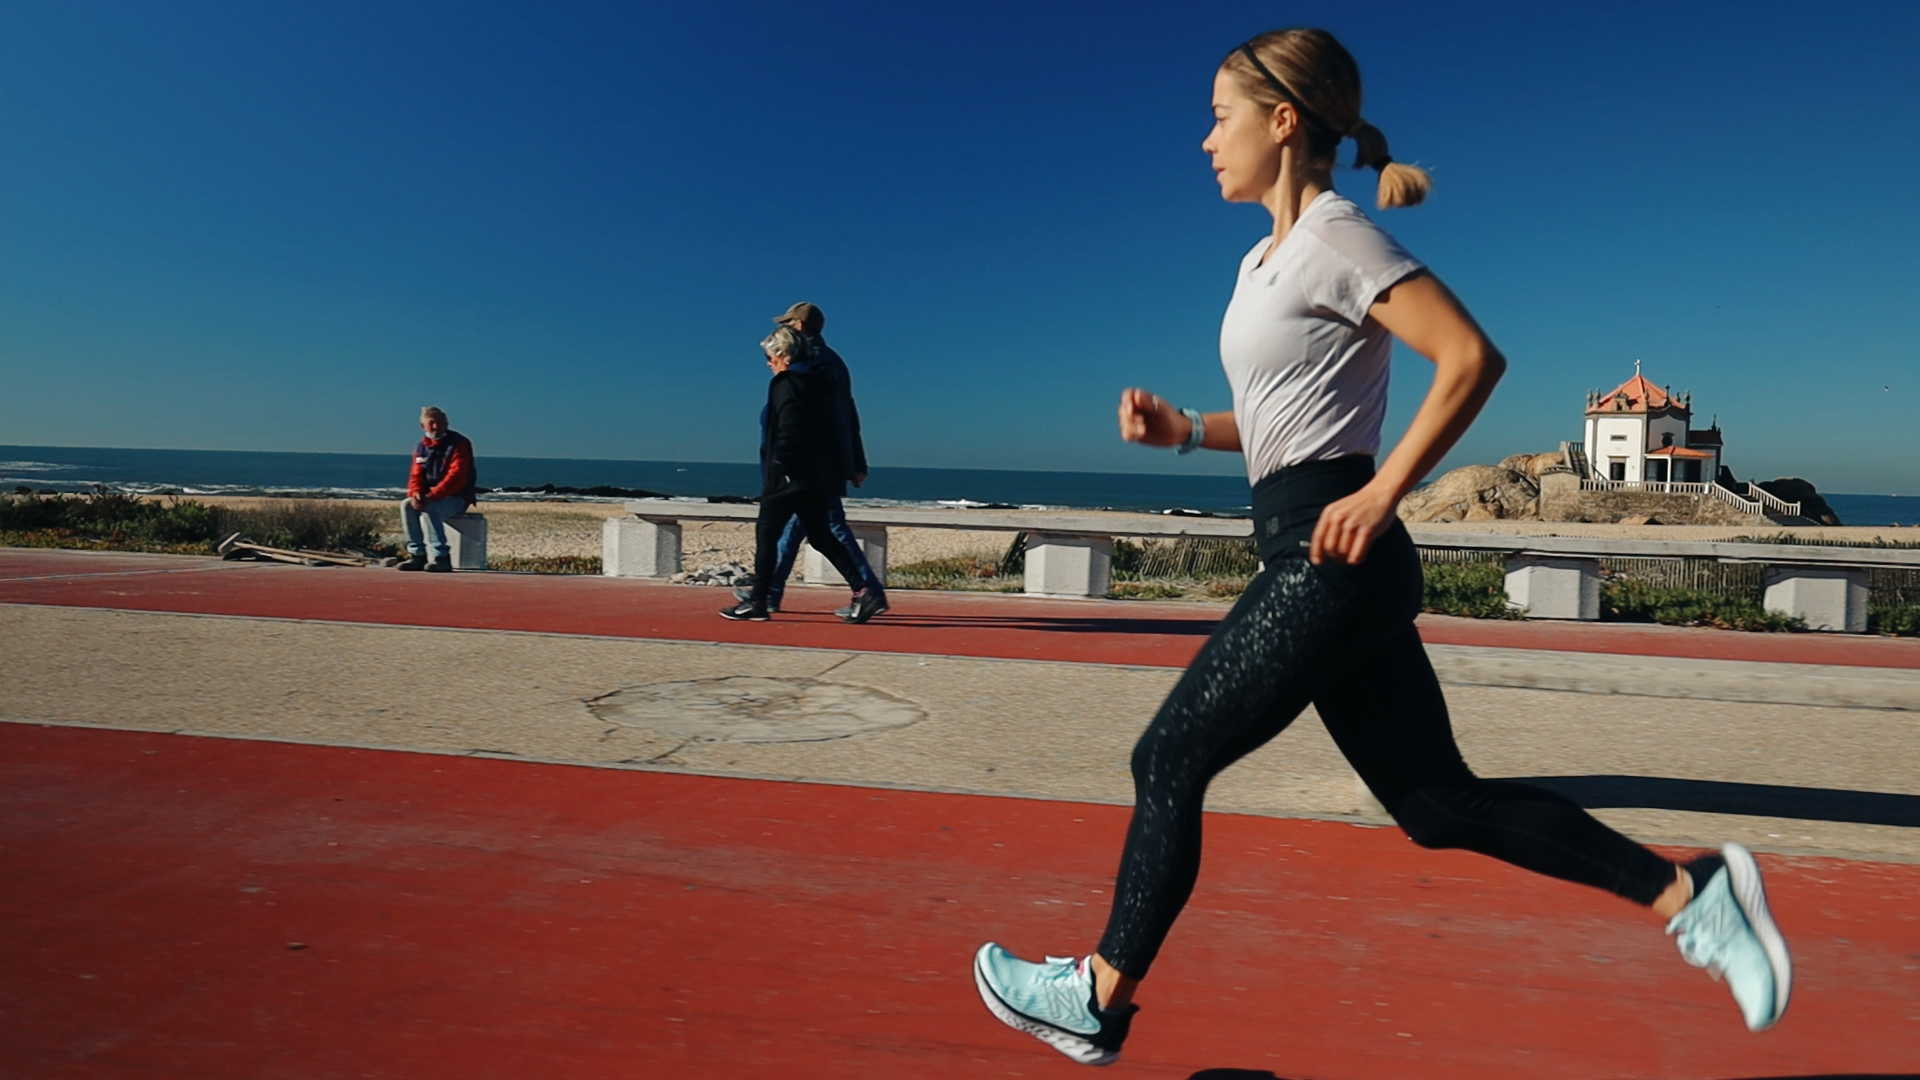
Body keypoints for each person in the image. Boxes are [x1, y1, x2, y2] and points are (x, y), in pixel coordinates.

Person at [972, 28, 1791, 1066]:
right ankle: (1697, 895)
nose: (1203, 140)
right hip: (1314, 545)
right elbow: (1283, 415)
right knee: (1436, 805)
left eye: (1220, 116)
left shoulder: (1333, 236)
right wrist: (1186, 429)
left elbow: (1469, 357)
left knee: (1168, 754)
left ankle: (1096, 997)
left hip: (1330, 556)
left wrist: (1384, 491)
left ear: (1282, 122)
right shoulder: (1265, 258)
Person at [721, 325, 887, 623]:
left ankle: (758, 601)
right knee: (822, 536)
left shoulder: (787, 382)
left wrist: (779, 469)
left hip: (789, 477)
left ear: (784, 354)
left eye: (769, 356)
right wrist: (850, 466)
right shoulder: (824, 380)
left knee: (767, 536)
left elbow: (789, 429)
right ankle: (864, 591)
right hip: (819, 476)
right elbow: (842, 423)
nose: (767, 362)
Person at [397, 406, 477, 573]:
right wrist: (416, 493)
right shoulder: (421, 447)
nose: (436, 427)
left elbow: (457, 477)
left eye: (440, 423)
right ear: (423, 426)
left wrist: (432, 496)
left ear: (446, 424)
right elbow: (416, 475)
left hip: (457, 497)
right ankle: (417, 554)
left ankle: (441, 557)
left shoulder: (459, 444)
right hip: (431, 496)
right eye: (431, 423)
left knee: (430, 508)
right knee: (406, 505)